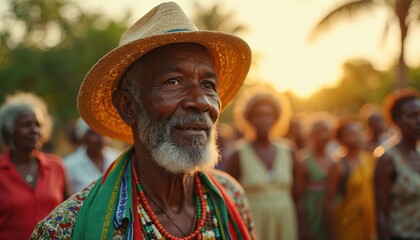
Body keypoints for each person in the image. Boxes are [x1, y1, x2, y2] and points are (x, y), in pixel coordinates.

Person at [31, 2, 256, 239]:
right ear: (128, 106)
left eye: (208, 85)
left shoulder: (232, 197)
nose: (201, 101)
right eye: (174, 81)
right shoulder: (64, 229)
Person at [225, 85, 297, 240]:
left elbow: (298, 196)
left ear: (276, 118)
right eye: (258, 115)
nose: (264, 120)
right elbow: (229, 196)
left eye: (268, 115)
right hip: (252, 222)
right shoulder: (238, 154)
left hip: (285, 220)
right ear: (248, 118)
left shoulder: (289, 150)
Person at [0, 92, 70, 239]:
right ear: (10, 130)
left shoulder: (57, 167)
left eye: (38, 124)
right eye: (26, 125)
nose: (34, 130)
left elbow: (70, 212)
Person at [374, 88, 420, 240]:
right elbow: (380, 212)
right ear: (397, 121)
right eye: (412, 116)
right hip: (400, 235)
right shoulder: (387, 159)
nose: (418, 120)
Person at [324, 116, 376, 240]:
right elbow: (328, 201)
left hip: (370, 222)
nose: (358, 136)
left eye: (360, 132)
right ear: (341, 139)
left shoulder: (370, 158)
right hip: (348, 222)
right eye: (352, 133)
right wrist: (333, 233)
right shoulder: (338, 165)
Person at [294, 112, 335, 240]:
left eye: (326, 131)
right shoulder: (302, 160)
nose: (323, 136)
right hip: (311, 213)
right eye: (319, 132)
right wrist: (303, 228)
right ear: (311, 135)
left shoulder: (334, 159)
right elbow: (298, 198)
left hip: (331, 215)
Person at [64, 118, 121, 194]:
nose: (100, 137)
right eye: (92, 133)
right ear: (82, 138)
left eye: (103, 131)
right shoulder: (69, 165)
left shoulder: (119, 159)